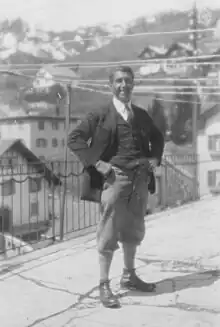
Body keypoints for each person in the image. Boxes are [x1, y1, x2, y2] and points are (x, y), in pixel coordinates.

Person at [68, 65, 164, 308]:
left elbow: (157, 137)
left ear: (133, 85)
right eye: (119, 81)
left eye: (128, 81)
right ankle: (104, 284)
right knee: (108, 232)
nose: (124, 85)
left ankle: (129, 276)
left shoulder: (141, 115)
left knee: (135, 229)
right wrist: (97, 163)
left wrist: (155, 158)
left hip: (141, 179)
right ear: (111, 85)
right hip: (115, 178)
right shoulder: (100, 115)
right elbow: (74, 138)